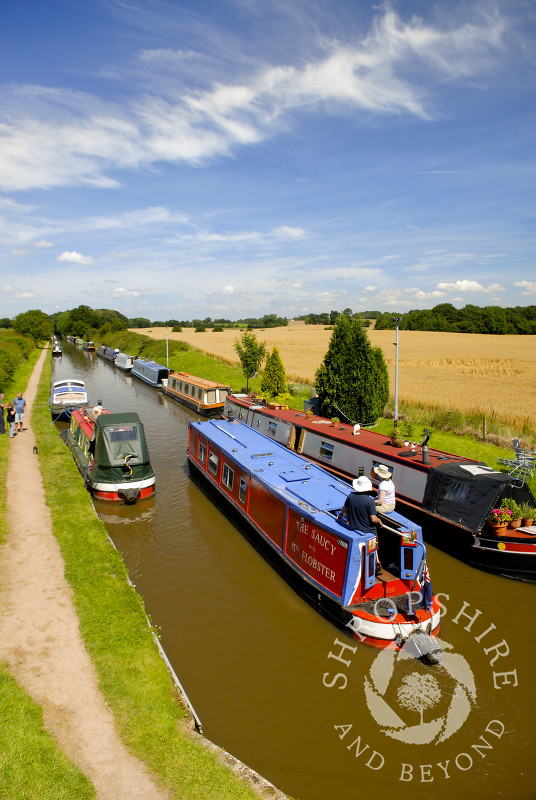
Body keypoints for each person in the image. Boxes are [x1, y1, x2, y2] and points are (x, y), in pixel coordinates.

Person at [337, 476, 384, 574]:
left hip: (354, 527)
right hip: (367, 530)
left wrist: (340, 516)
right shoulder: (370, 501)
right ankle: (376, 563)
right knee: (374, 540)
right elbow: (373, 519)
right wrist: (379, 521)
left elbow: (344, 509)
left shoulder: (350, 496)